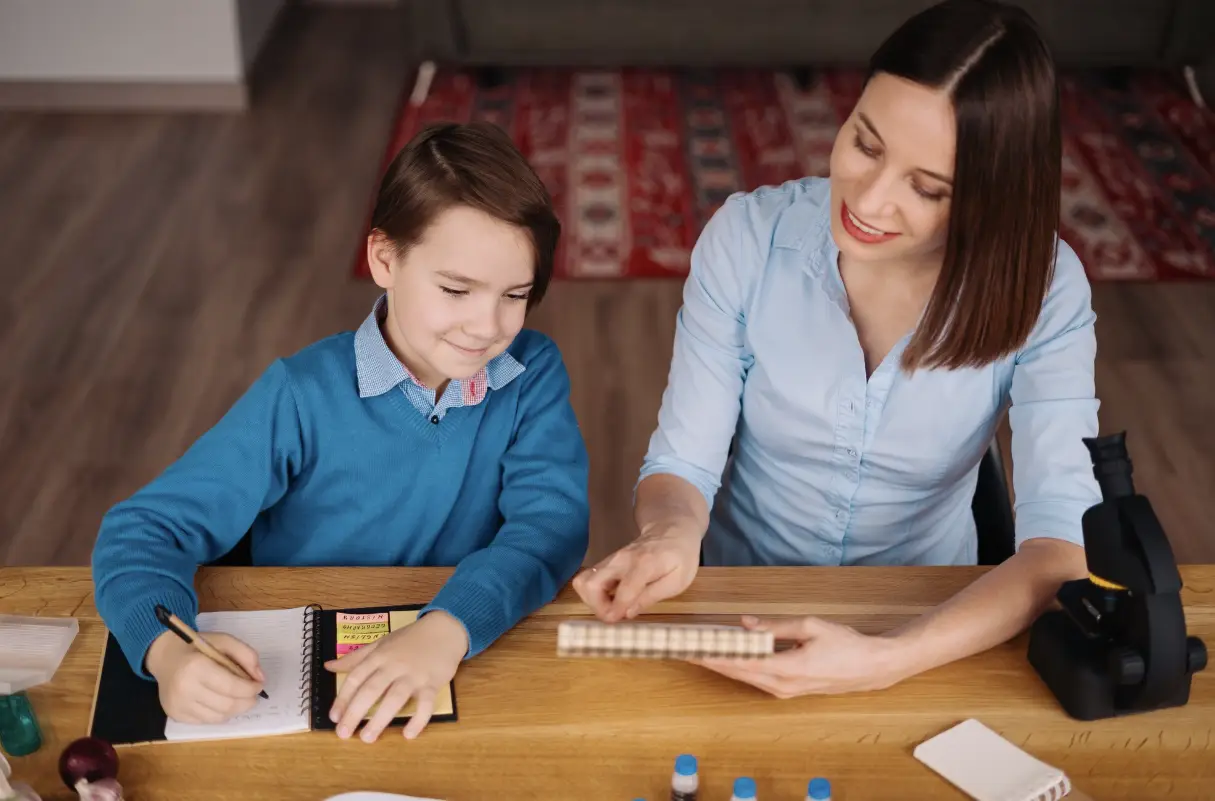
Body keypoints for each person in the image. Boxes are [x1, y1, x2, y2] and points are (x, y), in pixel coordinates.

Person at [574, 0, 1100, 698]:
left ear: (990, 197)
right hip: (738, 608)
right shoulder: (747, 239)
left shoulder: (1045, 287)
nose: (870, 200)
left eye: (927, 187)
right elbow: (681, 463)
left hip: (930, 623)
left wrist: (885, 658)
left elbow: (1059, 548)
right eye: (866, 143)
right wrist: (670, 534)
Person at [91, 121, 590, 741]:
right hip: (297, 669)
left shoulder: (531, 372)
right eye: (457, 290)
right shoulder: (300, 394)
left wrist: (449, 627)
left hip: (464, 647)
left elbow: (552, 526)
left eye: (515, 295)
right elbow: (141, 532)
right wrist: (166, 653)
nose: (488, 326)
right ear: (384, 258)